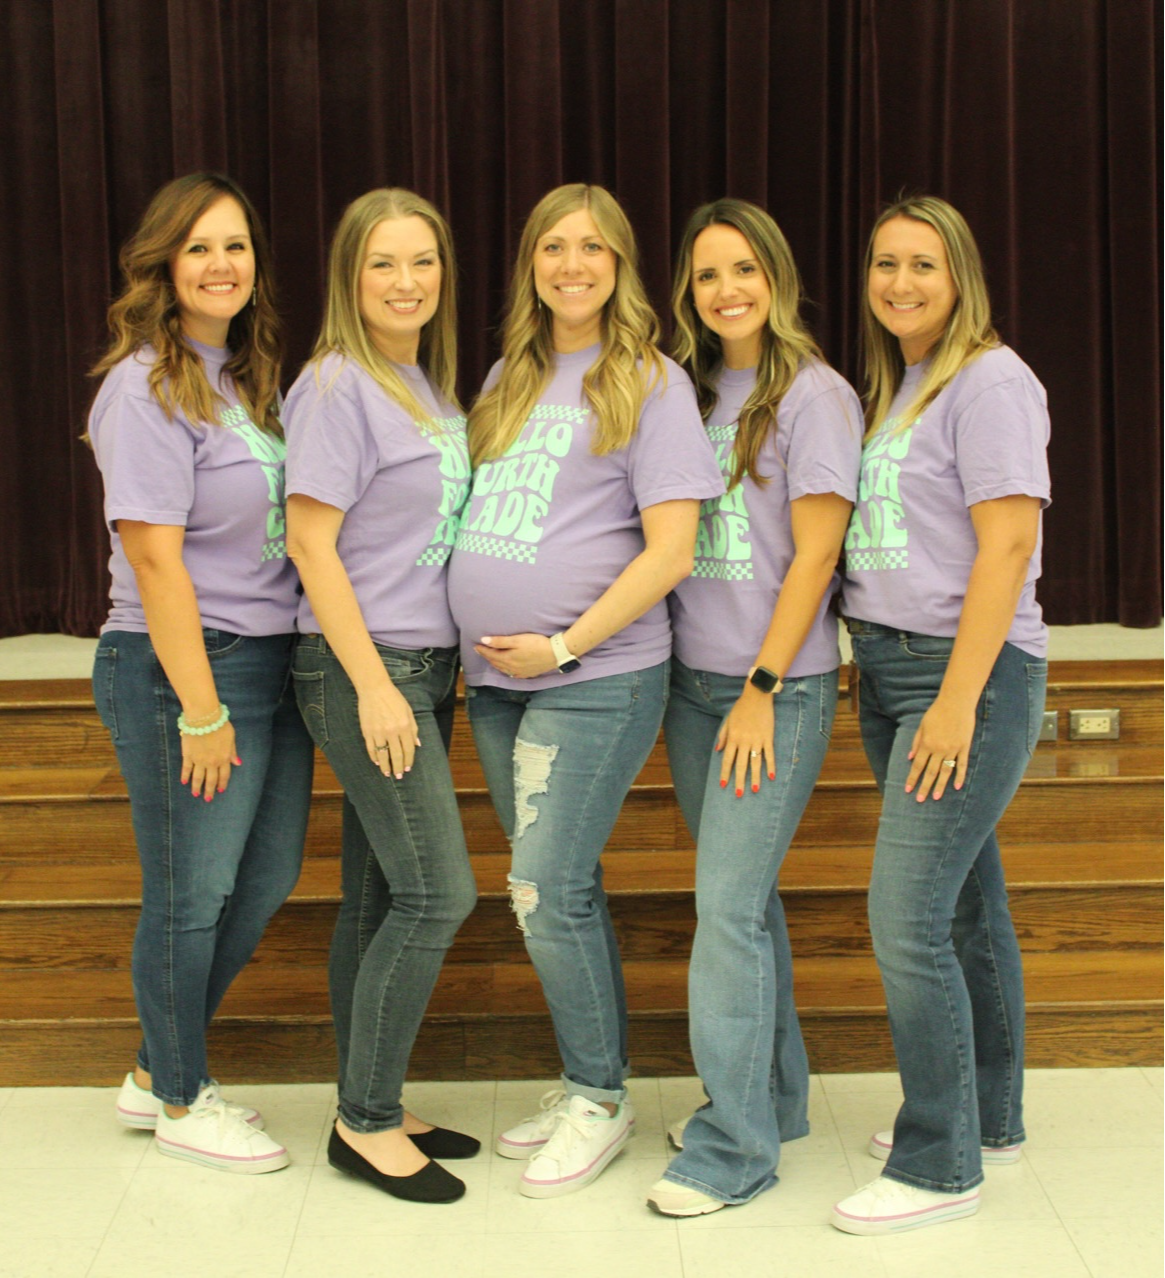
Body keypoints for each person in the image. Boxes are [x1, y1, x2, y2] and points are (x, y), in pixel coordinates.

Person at [446, 183, 724, 1198]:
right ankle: (585, 1080)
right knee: (557, 886)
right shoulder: (507, 378)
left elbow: (672, 551)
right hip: (494, 682)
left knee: (540, 887)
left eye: (594, 249)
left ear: (621, 267)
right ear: (530, 262)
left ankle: (600, 1101)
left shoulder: (647, 381)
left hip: (591, 677)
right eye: (554, 247)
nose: (573, 265)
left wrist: (560, 645)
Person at [831, 195, 1051, 1235]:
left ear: (959, 274)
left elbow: (1006, 548)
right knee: (964, 907)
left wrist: (957, 702)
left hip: (960, 679)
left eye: (922, 264)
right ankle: (986, 1114)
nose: (900, 283)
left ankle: (937, 1163)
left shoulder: (993, 382)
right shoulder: (909, 383)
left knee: (905, 917)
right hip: (890, 672)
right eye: (884, 264)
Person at [89, 172, 312, 1173]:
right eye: (199, 248)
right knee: (187, 896)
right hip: (182, 667)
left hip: (264, 662)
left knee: (259, 882)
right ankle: (182, 1098)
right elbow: (153, 558)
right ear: (164, 266)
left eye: (236, 246)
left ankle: (152, 1072)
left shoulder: (240, 379)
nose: (221, 264)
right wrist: (199, 709)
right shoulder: (142, 386)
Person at [646, 200, 862, 1217]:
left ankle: (735, 1149)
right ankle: (774, 1099)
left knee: (724, 910)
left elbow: (816, 555)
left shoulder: (813, 395)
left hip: (772, 690)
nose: (725, 291)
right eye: (704, 277)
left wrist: (763, 691)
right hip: (693, 688)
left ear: (776, 274)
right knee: (747, 904)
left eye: (743, 270)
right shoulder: (686, 395)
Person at [284, 188, 478, 1205]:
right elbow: (310, 542)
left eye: (423, 262)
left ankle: (375, 1092)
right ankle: (362, 1124)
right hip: (367, 668)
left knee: (376, 894)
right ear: (349, 279)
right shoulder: (334, 387)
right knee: (439, 892)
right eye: (382, 265)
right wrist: (372, 687)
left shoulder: (424, 386)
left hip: (424, 666)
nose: (406, 283)